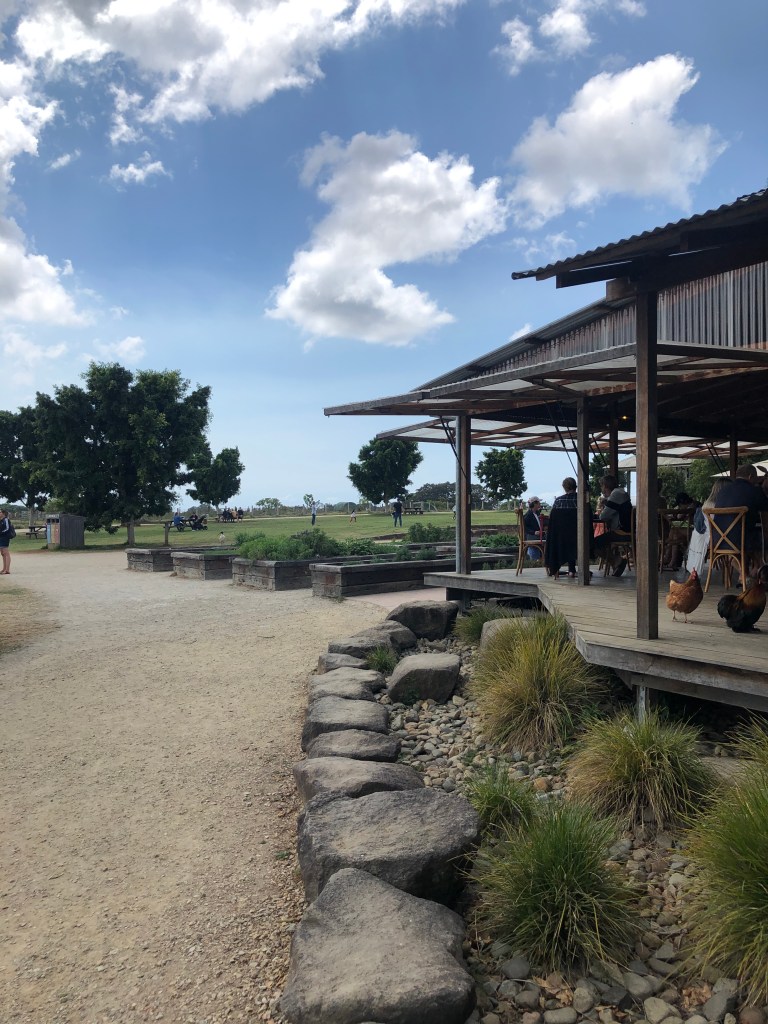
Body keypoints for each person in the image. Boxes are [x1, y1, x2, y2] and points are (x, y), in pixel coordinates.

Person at [713, 464, 768, 573]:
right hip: (742, 541)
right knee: (762, 539)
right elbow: (766, 511)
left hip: (718, 540)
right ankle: (759, 569)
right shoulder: (755, 491)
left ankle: (744, 574)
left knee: (747, 537)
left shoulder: (723, 490)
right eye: (755, 478)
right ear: (750, 476)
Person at [686, 479, 727, 575]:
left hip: (705, 538)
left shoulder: (707, 504)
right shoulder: (721, 506)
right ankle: (746, 573)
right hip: (718, 539)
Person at [594, 474, 633, 576]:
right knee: (601, 541)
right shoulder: (620, 493)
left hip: (622, 532)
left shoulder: (616, 494)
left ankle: (616, 561)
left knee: (593, 544)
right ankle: (616, 562)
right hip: (626, 530)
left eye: (602, 486)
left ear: (605, 486)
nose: (602, 489)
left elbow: (603, 516)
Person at [546, 477, 578, 577]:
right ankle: (572, 570)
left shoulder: (558, 501)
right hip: (577, 536)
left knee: (564, 540)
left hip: (560, 538)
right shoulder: (581, 500)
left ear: (564, 488)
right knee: (573, 540)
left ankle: (556, 569)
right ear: (576, 487)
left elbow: (552, 519)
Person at [523, 496, 546, 561]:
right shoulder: (528, 515)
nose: (540, 504)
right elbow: (524, 527)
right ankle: (539, 558)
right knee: (548, 538)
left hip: (538, 535)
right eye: (539, 503)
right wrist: (534, 532)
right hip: (531, 536)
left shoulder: (537, 513)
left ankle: (544, 557)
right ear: (535, 504)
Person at [0, 508, 13, 574]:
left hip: (5, 538)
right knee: (2, 553)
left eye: (0, 512)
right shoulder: (1, 520)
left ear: (3, 513)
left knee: (6, 553)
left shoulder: (6, 520)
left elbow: (7, 528)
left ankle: (7, 570)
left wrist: (1, 533)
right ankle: (4, 569)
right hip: (1, 538)